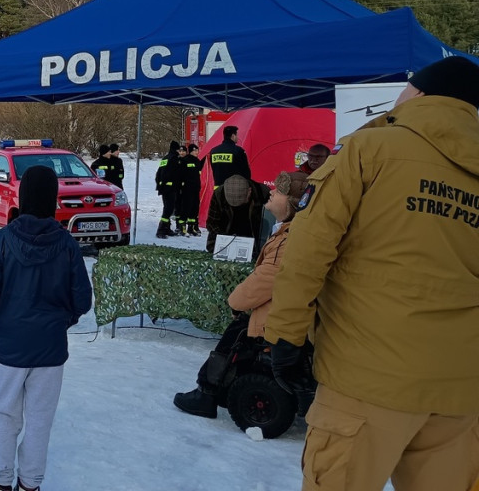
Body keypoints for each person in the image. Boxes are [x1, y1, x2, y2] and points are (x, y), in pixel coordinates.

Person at [266, 56, 479, 491]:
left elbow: (307, 250)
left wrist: (285, 334)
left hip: (366, 380)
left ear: (418, 92)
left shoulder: (371, 149)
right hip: (462, 391)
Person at [0, 165, 93, 491]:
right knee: (40, 418)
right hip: (50, 347)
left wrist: (3, 322)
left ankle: (1, 483)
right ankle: (31, 484)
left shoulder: (1, 242)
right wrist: (59, 322)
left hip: (10, 344)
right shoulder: (67, 245)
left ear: (22, 197)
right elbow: (81, 299)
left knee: (4, 414)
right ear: (53, 199)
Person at [173, 171, 304, 419]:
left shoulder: (288, 238)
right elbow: (213, 224)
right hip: (279, 304)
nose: (272, 193)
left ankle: (208, 391)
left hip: (277, 315)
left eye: (279, 192)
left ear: (291, 202)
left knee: (236, 334)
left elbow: (268, 278)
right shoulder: (290, 229)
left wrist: (236, 302)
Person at [204, 174, 279, 256]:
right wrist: (225, 239)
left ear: (249, 191)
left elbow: (272, 224)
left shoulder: (262, 193)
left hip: (256, 240)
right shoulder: (219, 194)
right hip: (224, 239)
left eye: (241, 203)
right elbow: (211, 223)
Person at [154, 141, 183, 238]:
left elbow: (158, 173)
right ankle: (161, 230)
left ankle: (167, 228)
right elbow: (177, 175)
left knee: (167, 207)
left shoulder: (165, 158)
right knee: (168, 209)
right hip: (171, 188)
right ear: (176, 149)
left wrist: (159, 185)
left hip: (164, 188)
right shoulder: (175, 159)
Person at [176, 144, 202, 236]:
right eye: (194, 150)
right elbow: (180, 175)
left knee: (194, 208)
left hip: (196, 188)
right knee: (186, 207)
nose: (196, 152)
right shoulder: (185, 160)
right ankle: (182, 227)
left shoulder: (198, 161)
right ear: (190, 151)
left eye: (197, 150)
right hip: (187, 189)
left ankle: (192, 227)